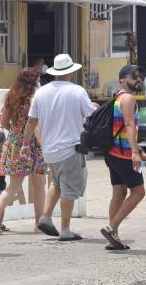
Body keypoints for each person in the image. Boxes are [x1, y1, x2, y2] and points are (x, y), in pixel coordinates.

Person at [20, 54, 96, 241]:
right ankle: (65, 229)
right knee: (69, 188)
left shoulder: (41, 92)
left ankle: (45, 217)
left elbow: (31, 121)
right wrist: (94, 106)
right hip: (70, 149)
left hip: (49, 150)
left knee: (57, 183)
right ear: (71, 72)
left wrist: (24, 145)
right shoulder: (77, 91)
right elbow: (90, 115)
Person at [0, 68, 48, 235]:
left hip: (14, 143)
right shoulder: (34, 99)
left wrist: (16, 132)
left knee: (13, 187)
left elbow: (4, 122)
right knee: (39, 185)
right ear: (33, 82)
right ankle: (38, 223)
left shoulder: (11, 97)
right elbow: (34, 124)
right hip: (32, 145)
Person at [100, 65, 146, 250]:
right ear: (122, 80)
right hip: (122, 155)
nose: (138, 79)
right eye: (133, 77)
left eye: (139, 76)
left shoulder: (118, 97)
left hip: (113, 153)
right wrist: (134, 153)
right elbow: (130, 125)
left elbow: (120, 129)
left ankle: (112, 238)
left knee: (119, 193)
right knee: (139, 192)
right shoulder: (128, 98)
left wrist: (138, 149)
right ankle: (111, 227)